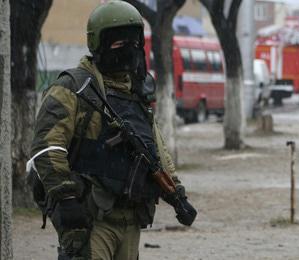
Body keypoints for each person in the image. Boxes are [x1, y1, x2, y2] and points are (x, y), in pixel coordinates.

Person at [28, 1, 197, 259]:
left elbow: (156, 151)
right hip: (92, 220)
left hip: (131, 220)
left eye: (133, 42)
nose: (128, 49)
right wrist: (65, 198)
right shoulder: (73, 88)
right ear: (99, 43)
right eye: (118, 42)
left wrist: (178, 196)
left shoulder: (137, 93)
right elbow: (47, 147)